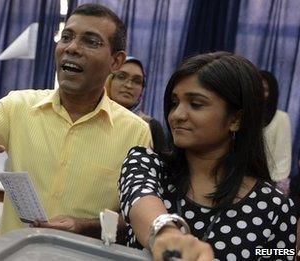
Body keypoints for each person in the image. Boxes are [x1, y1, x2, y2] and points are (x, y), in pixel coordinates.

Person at [0, 4, 152, 239]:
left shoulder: (137, 133)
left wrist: (85, 226)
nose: (72, 48)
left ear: (116, 61)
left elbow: (136, 221)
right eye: (66, 37)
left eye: (91, 41)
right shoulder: (18, 106)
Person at [118, 52, 297, 260]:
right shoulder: (147, 164)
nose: (177, 115)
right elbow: (139, 198)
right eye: (174, 103)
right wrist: (166, 234)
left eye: (196, 104)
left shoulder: (275, 208)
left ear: (236, 119)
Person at [105, 56, 167, 153]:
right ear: (109, 80)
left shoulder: (150, 126)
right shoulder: (93, 116)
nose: (129, 85)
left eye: (137, 81)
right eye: (121, 77)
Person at [259, 70, 292, 193]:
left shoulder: (281, 118)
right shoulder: (242, 116)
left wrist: (273, 188)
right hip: (238, 178)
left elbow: (283, 156)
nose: (260, 93)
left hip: (268, 184)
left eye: (265, 89)